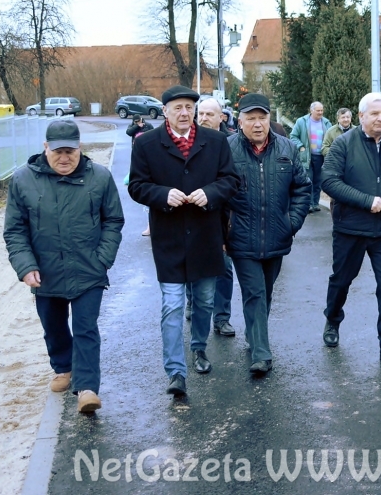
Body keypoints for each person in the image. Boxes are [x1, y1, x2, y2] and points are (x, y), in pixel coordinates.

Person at [3, 119, 124, 414]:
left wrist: (102, 259)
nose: (64, 157)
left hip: (89, 270)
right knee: (53, 326)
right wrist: (25, 266)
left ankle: (87, 388)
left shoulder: (99, 177)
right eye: (57, 151)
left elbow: (113, 221)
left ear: (80, 147)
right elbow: (15, 230)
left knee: (85, 328)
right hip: (45, 272)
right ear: (45, 148)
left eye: (70, 151)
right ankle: (63, 367)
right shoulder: (22, 180)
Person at [128, 85, 240, 396]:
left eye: (189, 107)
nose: (184, 112)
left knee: (204, 300)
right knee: (173, 305)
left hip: (206, 235)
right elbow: (136, 186)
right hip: (169, 238)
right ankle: (175, 371)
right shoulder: (148, 144)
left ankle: (199, 348)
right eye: (177, 107)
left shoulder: (215, 141)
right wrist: (162, 194)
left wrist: (211, 193)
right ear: (164, 111)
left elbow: (231, 180)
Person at [321, 92, 381, 368]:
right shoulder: (343, 144)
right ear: (361, 116)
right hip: (350, 228)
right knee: (342, 280)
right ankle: (332, 318)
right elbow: (328, 180)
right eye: (374, 113)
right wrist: (365, 201)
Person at [226, 93, 311, 375]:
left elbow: (302, 188)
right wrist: (223, 230)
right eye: (251, 119)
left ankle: (255, 335)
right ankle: (262, 353)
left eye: (262, 118)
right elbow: (218, 193)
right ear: (240, 122)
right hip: (240, 237)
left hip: (277, 235)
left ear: (269, 119)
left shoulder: (286, 148)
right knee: (255, 293)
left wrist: (292, 222)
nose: (258, 124)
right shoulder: (227, 151)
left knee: (267, 292)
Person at [183, 96, 237, 337]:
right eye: (200, 114)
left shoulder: (231, 144)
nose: (203, 118)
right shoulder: (186, 144)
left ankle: (222, 317)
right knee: (190, 265)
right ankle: (192, 303)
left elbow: (232, 182)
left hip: (222, 218)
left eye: (209, 114)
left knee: (224, 269)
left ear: (221, 118)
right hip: (191, 218)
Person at [290, 101, 332, 212]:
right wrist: (300, 146)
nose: (320, 112)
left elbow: (332, 139)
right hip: (307, 157)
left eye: (322, 110)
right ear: (311, 110)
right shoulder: (302, 122)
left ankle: (315, 204)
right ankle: (307, 205)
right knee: (308, 180)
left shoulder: (327, 123)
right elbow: (293, 136)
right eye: (318, 110)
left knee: (318, 181)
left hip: (321, 157)